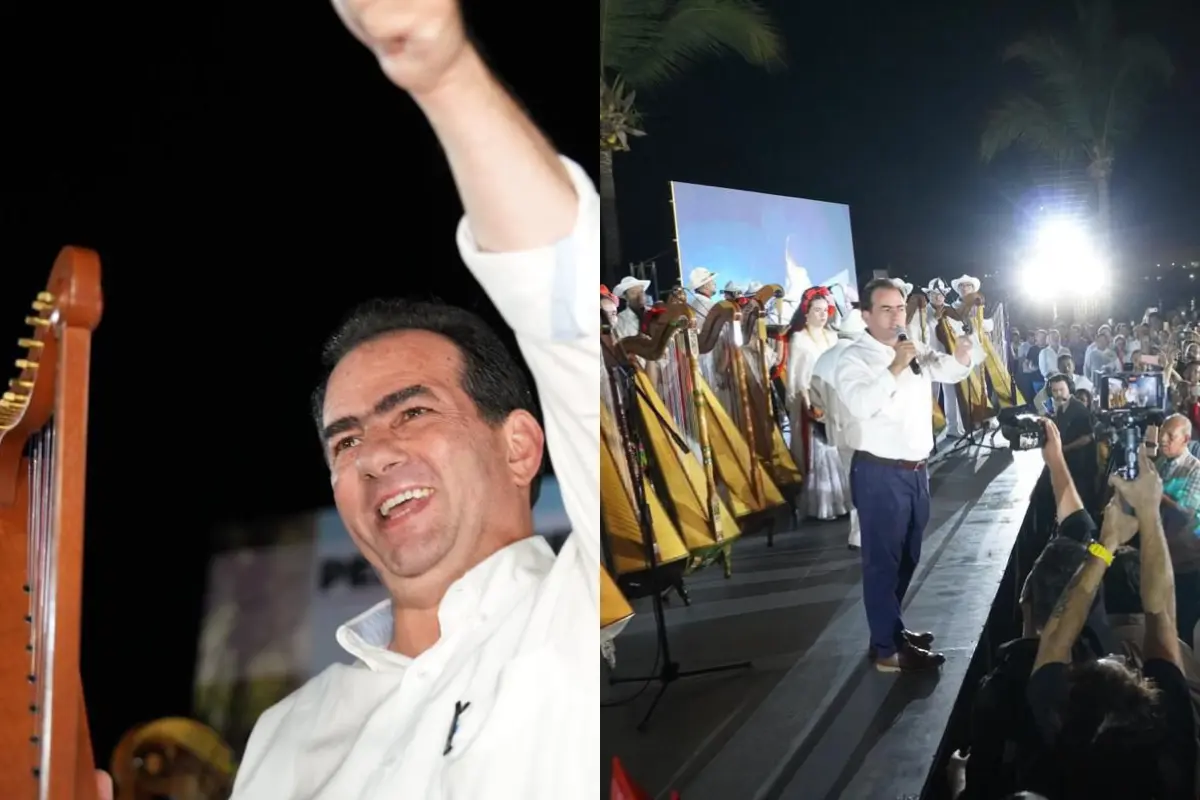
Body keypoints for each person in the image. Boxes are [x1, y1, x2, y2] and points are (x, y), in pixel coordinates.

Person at [99, 0, 599, 797]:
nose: (373, 455)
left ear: (519, 445)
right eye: (344, 441)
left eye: (413, 411)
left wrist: (443, 73)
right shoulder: (286, 733)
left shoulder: (573, 625)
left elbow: (565, 310)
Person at [834, 278, 974, 672]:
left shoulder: (911, 346)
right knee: (882, 560)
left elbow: (945, 369)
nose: (896, 316)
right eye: (886, 309)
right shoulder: (854, 357)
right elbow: (861, 403)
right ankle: (885, 650)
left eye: (899, 308)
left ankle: (890, 630)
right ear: (865, 315)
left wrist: (963, 356)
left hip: (916, 472)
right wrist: (895, 366)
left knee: (908, 556)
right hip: (880, 472)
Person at [810, 307, 868, 549]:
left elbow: (815, 403)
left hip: (838, 432)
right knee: (868, 484)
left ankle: (856, 534)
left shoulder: (823, 358)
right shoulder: (859, 357)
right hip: (865, 431)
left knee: (851, 480)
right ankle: (863, 534)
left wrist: (829, 421)